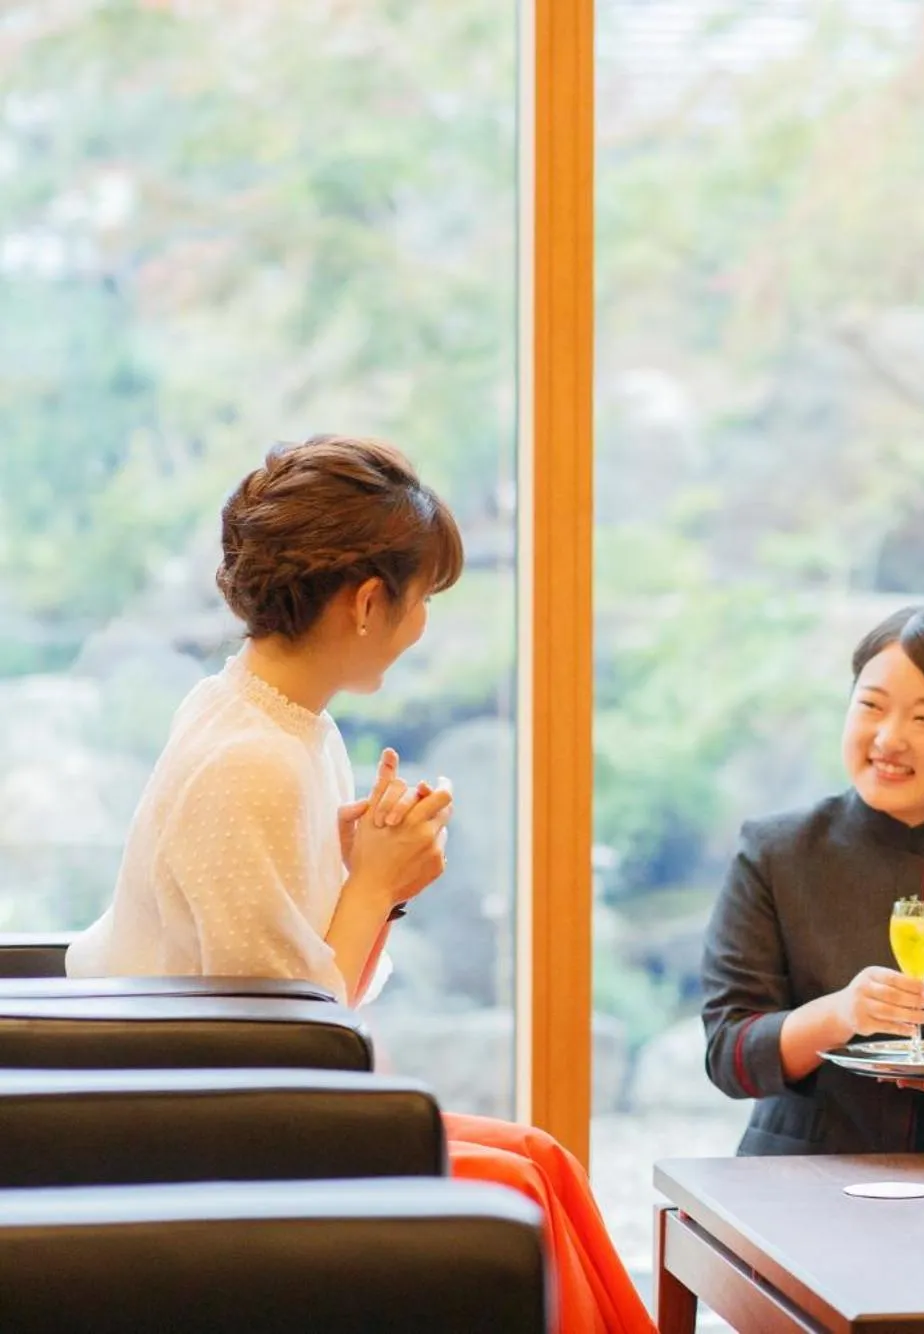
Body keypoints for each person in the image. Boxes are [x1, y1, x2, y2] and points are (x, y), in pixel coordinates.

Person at [68, 435, 654, 1334]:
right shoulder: (255, 759)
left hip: (234, 1097)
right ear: (370, 602)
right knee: (524, 1191)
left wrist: (355, 871)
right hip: (199, 1125)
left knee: (547, 1161)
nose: (423, 624)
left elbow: (301, 995)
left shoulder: (273, 719)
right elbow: (289, 1044)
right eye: (422, 599)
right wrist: (375, 888)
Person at [700, 603, 924, 1154]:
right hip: (799, 1174)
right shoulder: (775, 852)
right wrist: (839, 1013)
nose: (889, 738)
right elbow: (728, 1054)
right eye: (872, 706)